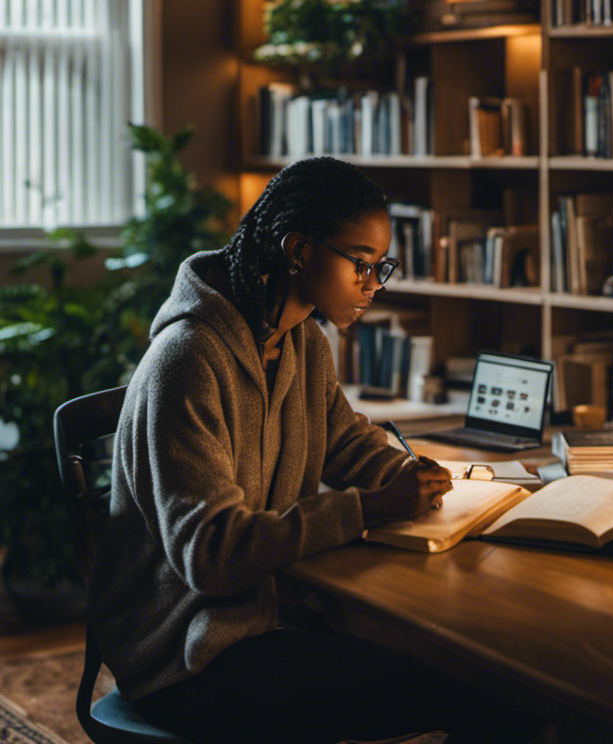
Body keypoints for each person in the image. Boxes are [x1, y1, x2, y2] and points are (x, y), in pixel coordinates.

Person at [88, 157, 546, 744]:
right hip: (187, 657)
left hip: (268, 617)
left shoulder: (300, 340)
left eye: (382, 267)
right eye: (360, 264)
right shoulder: (187, 363)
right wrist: (370, 508)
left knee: (485, 671)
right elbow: (212, 553)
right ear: (299, 250)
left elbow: (345, 440)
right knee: (477, 695)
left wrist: (409, 474)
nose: (373, 284)